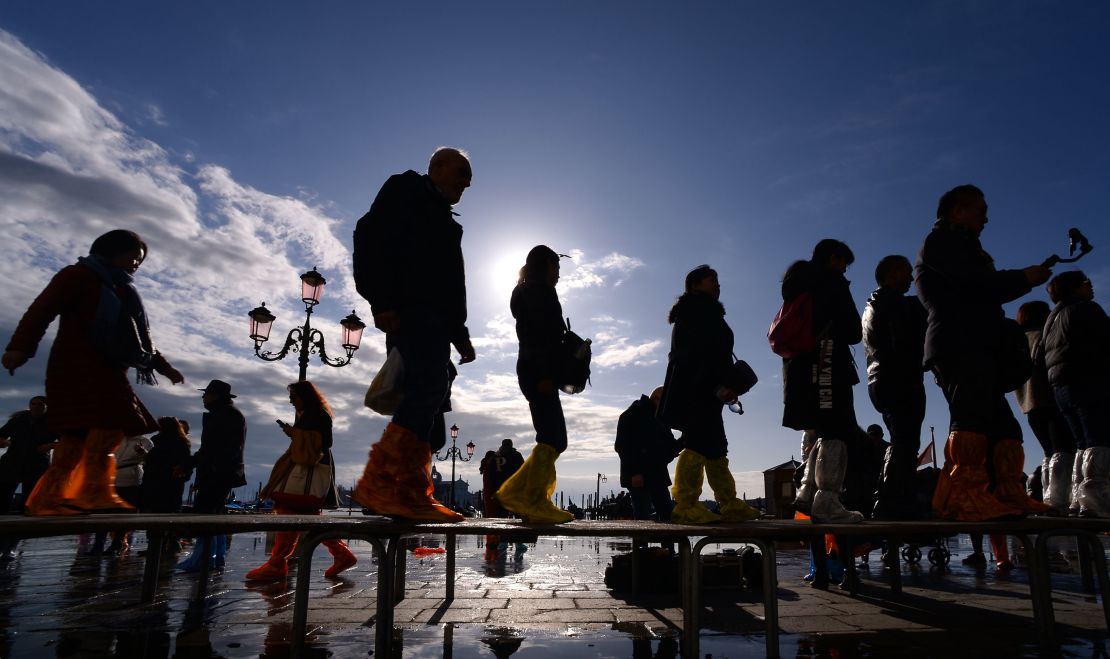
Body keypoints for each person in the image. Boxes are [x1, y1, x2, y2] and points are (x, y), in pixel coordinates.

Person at [2, 229, 185, 516]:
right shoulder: (78, 276)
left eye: (140, 260)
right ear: (113, 251)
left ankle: (51, 496)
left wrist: (165, 367)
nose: (137, 264)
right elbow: (42, 309)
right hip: (76, 365)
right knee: (107, 429)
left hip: (108, 370)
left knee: (75, 436)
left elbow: (140, 340)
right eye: (134, 257)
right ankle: (92, 491)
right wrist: (20, 348)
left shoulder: (124, 290)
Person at [351, 147, 475, 523]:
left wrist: (460, 334)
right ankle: (383, 483)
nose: (464, 185)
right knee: (427, 386)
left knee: (433, 392)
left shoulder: (445, 220)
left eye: (468, 183)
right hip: (408, 310)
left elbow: (453, 284)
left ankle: (408, 489)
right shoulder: (404, 191)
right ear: (436, 167)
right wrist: (382, 301)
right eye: (460, 175)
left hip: (435, 318)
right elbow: (370, 239)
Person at [916, 184, 1051, 520]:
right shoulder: (942, 243)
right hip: (958, 343)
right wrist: (1023, 278)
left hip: (977, 343)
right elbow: (974, 284)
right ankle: (966, 495)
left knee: (1004, 426)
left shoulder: (961, 245)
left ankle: (1008, 492)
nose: (986, 218)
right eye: (980, 210)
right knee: (971, 418)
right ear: (957, 211)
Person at [658, 265, 760, 524]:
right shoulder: (696, 311)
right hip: (698, 388)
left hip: (707, 388)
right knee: (697, 443)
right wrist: (716, 385)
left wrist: (722, 386)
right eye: (711, 279)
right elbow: (697, 357)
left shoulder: (703, 312)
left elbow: (711, 355)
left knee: (715, 447)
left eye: (717, 279)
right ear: (694, 285)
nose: (717, 284)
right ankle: (686, 504)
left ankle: (728, 503)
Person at [782, 240, 866, 523]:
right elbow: (854, 331)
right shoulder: (831, 282)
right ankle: (827, 501)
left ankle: (807, 493)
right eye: (844, 262)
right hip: (829, 361)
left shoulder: (798, 283)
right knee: (838, 429)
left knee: (820, 427)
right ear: (833, 258)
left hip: (802, 366)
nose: (845, 269)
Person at [496, 246, 576, 524]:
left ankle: (522, 493)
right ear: (545, 267)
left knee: (553, 437)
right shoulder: (537, 292)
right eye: (556, 268)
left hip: (536, 371)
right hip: (537, 372)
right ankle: (530, 498)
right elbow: (537, 336)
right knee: (553, 437)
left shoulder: (529, 290)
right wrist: (544, 374)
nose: (558, 275)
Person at [246, 381, 357, 581]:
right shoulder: (309, 414)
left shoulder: (316, 414)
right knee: (304, 515)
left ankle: (277, 564)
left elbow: (325, 441)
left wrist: (295, 433)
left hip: (308, 468)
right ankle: (341, 555)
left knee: (290, 511)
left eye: (293, 397)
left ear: (305, 397)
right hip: (307, 467)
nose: (291, 401)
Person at [861, 254, 928, 519]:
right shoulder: (895, 304)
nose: (911, 278)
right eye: (906, 272)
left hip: (879, 379)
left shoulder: (872, 305)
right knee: (906, 442)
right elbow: (905, 343)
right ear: (891, 273)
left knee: (901, 439)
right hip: (899, 379)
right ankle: (893, 501)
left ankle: (891, 499)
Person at [1043, 270, 1110, 517]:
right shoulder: (1085, 310)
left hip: (1061, 386)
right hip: (1088, 380)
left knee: (1081, 443)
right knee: (1098, 438)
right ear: (1075, 288)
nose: (1090, 287)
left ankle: (1078, 498)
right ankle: (1094, 500)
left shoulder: (1052, 318)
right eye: (1086, 283)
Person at [1014, 300, 1076, 514]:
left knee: (1050, 453)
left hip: (1029, 406)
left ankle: (1050, 498)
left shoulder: (1019, 341)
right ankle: (1060, 501)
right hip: (1050, 399)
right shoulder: (1044, 336)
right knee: (1064, 450)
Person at [178, 379, 246, 571]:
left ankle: (204, 558)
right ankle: (214, 556)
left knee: (206, 515)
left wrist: (189, 464)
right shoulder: (228, 414)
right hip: (220, 471)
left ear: (215, 396)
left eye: (205, 394)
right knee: (214, 514)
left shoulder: (224, 416)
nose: (203, 398)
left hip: (217, 472)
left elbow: (212, 449)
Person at [614, 386, 680, 521]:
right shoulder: (631, 415)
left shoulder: (661, 419)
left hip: (658, 475)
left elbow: (670, 448)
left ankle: (668, 542)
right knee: (642, 517)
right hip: (639, 478)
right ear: (657, 399)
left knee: (668, 516)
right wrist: (634, 472)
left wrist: (685, 440)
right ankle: (641, 542)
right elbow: (623, 446)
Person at [0, 396, 57, 514]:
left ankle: (25, 528)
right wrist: (4, 442)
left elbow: (67, 441)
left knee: (29, 501)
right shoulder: (18, 419)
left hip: (37, 464)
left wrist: (51, 445)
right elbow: (1, 435)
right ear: (29, 405)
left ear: (47, 407)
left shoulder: (54, 423)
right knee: (3, 496)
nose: (36, 406)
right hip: (12, 462)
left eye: (40, 404)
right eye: (33, 404)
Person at [142, 417, 194, 514]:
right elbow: (186, 463)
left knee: (152, 515)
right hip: (173, 484)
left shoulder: (155, 440)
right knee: (171, 513)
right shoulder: (183, 442)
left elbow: (149, 461)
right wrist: (184, 477)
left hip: (154, 483)